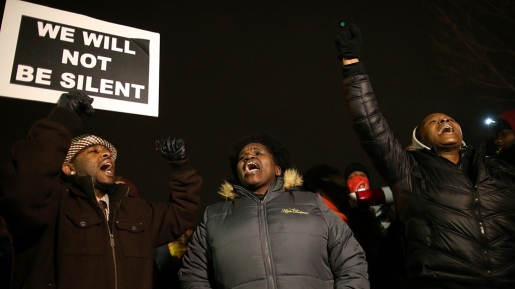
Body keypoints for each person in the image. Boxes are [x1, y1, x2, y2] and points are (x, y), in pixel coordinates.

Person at [335, 24, 515, 288]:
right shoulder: (410, 172)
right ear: (420, 139)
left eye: (449, 118)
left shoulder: (497, 170)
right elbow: (369, 125)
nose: (444, 120)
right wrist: (352, 64)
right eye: (433, 122)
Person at [0, 91, 202, 289]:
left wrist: (180, 166)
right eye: (93, 151)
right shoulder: (53, 204)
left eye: (108, 153)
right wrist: (61, 119)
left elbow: (182, 213)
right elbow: (27, 179)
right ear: (68, 167)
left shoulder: (135, 210)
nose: (106, 154)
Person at [178, 132, 369, 289]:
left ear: (278, 169)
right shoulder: (214, 217)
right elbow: (192, 275)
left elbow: (351, 260)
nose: (249, 157)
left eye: (258, 153)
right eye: (242, 157)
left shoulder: (312, 203)